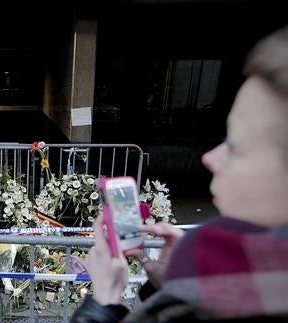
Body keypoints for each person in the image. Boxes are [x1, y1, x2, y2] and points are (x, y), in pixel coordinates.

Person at [71, 24, 288, 322]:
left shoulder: (253, 297)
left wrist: (103, 302)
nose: (210, 158)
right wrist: (169, 287)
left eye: (236, 145)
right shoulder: (244, 276)